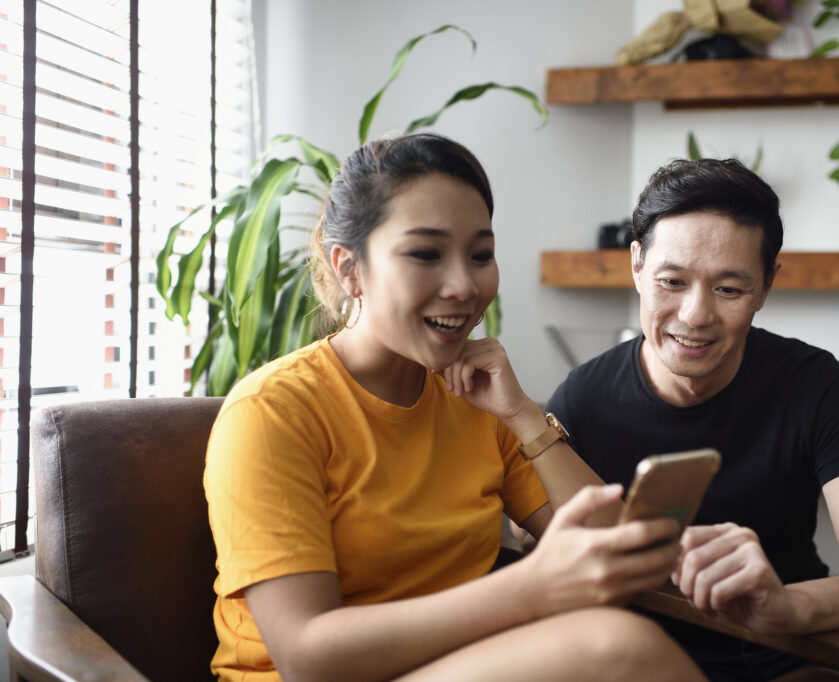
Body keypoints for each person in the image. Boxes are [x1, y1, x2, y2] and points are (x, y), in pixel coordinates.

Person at [204, 133, 706, 682]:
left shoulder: (475, 400)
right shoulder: (272, 412)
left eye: (481, 255)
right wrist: (531, 586)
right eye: (425, 254)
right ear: (349, 269)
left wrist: (520, 413)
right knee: (616, 648)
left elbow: (614, 547)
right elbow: (307, 657)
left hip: (455, 666)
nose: (465, 286)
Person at [546, 158, 839, 681]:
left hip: (797, 643)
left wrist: (787, 607)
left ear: (767, 284)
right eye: (672, 281)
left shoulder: (820, 387)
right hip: (648, 658)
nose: (695, 315)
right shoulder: (581, 399)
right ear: (637, 265)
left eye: (729, 289)